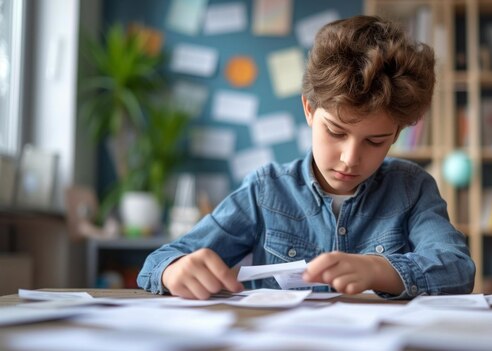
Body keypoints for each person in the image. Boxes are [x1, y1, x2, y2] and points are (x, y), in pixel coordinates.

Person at [138, 15, 475, 300]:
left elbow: (457, 269)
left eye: (375, 141)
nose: (349, 158)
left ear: (397, 135)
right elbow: (159, 261)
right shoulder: (265, 189)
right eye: (337, 132)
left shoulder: (411, 188)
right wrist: (173, 270)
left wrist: (379, 270)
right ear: (310, 110)